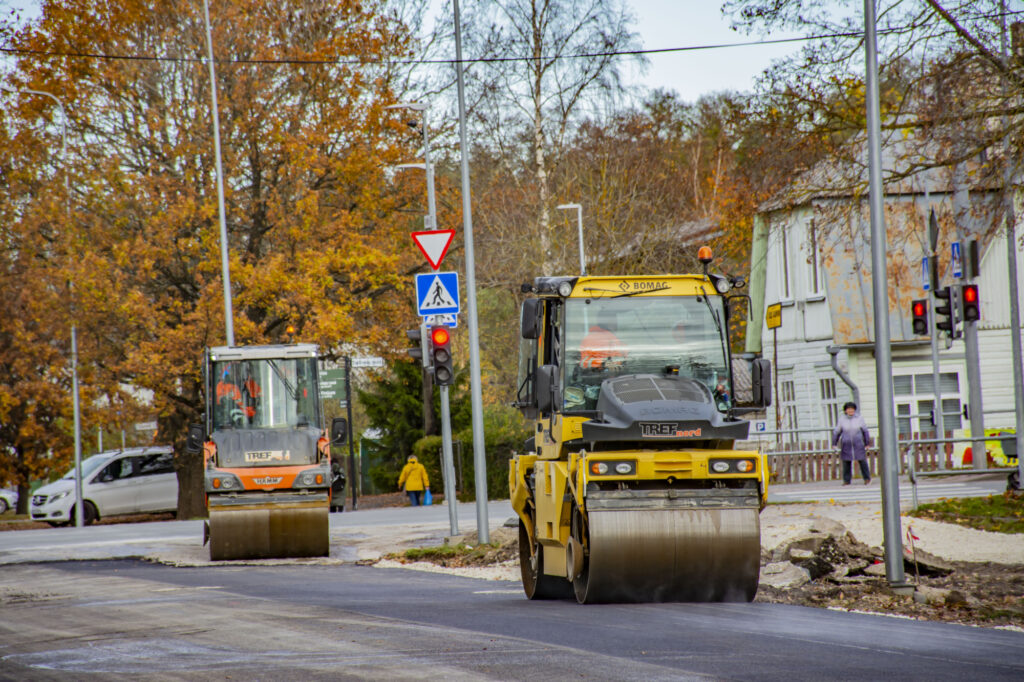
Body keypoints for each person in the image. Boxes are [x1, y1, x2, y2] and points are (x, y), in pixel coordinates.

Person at [832, 401, 872, 485]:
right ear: (845, 410)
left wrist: (867, 443)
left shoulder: (859, 418)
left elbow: (865, 431)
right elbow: (837, 432)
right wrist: (834, 443)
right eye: (848, 409)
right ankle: (846, 480)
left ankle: (867, 478)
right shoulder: (842, 419)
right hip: (846, 444)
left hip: (858, 443)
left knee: (862, 461)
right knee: (846, 462)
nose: (850, 411)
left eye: (852, 409)